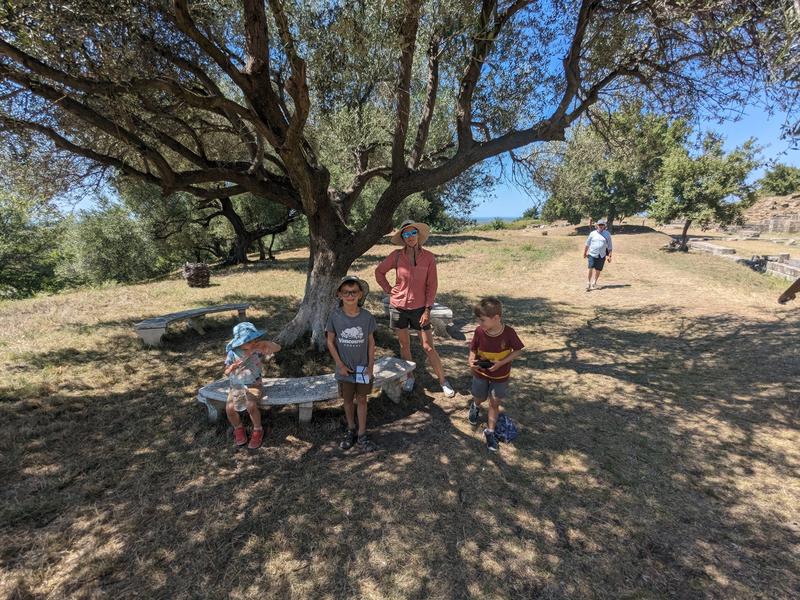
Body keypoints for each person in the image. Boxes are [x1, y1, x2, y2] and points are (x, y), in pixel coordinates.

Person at [375, 220, 456, 397]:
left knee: (428, 347)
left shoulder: (429, 258)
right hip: (398, 307)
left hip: (420, 309)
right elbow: (379, 272)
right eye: (406, 234)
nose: (410, 237)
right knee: (404, 346)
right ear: (402, 238)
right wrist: (389, 290)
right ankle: (409, 376)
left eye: (413, 233)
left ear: (419, 235)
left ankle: (443, 380)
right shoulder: (396, 256)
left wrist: (428, 309)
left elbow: (432, 285)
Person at [326, 275, 379, 452]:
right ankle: (351, 430)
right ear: (339, 295)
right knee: (348, 400)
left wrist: (371, 366)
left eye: (354, 292)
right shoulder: (335, 317)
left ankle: (362, 434)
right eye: (346, 292)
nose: (350, 295)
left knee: (362, 399)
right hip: (344, 370)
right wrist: (340, 364)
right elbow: (330, 342)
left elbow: (371, 342)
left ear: (360, 294)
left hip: (363, 368)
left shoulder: (367, 317)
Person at [467, 297, 525, 452]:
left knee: (494, 403)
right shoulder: (479, 331)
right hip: (480, 373)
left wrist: (501, 363)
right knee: (480, 396)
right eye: (478, 320)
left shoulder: (509, 333)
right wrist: (471, 359)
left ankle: (490, 432)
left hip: (500, 376)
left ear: (496, 318)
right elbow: (473, 348)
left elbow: (518, 350)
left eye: (482, 320)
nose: (480, 324)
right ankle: (476, 405)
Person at [224, 322, 281, 449]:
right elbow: (226, 372)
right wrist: (232, 368)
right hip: (236, 386)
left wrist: (265, 343)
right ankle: (238, 428)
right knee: (230, 408)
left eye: (254, 339)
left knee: (251, 405)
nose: (253, 343)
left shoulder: (258, 350)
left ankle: (257, 429)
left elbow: (277, 348)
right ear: (239, 342)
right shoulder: (233, 353)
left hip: (254, 384)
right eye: (249, 341)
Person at [583, 218, 613, 291]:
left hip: (602, 255)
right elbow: (587, 244)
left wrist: (609, 256)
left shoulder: (607, 234)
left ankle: (594, 282)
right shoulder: (592, 233)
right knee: (590, 268)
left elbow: (610, 246)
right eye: (599, 225)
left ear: (604, 226)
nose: (601, 226)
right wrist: (585, 253)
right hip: (592, 253)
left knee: (598, 270)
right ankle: (588, 283)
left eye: (602, 225)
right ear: (597, 225)